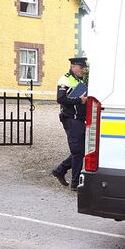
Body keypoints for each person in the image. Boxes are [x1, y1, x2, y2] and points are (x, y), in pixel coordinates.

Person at [51, 56, 88, 191]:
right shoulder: (65, 80)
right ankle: (75, 183)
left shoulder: (78, 80)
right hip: (71, 119)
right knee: (78, 151)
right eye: (81, 67)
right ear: (73, 66)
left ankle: (60, 170)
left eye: (84, 68)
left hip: (78, 119)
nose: (83, 70)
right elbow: (60, 99)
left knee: (81, 150)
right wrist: (79, 101)